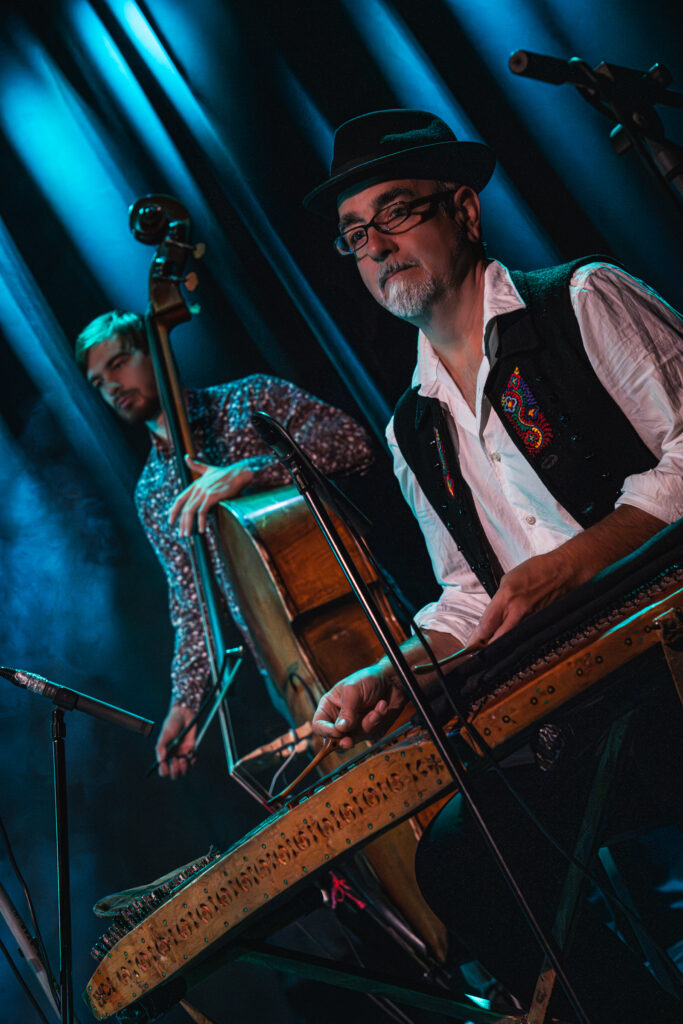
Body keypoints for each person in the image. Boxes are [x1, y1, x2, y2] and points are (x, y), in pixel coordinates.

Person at [304, 109, 683, 1022]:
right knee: (463, 861)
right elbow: (468, 596)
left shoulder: (581, 299)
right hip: (585, 698)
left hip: (668, 648)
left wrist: (574, 565)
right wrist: (391, 671)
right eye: (355, 234)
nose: (375, 245)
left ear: (464, 212)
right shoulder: (412, 426)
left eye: (396, 213)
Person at [74, 310, 374, 780]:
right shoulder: (151, 492)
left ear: (155, 353)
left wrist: (252, 471)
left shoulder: (249, 398)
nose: (111, 385)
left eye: (118, 363)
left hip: (359, 618)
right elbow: (191, 604)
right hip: (283, 668)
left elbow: (353, 442)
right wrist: (185, 704)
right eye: (97, 382)